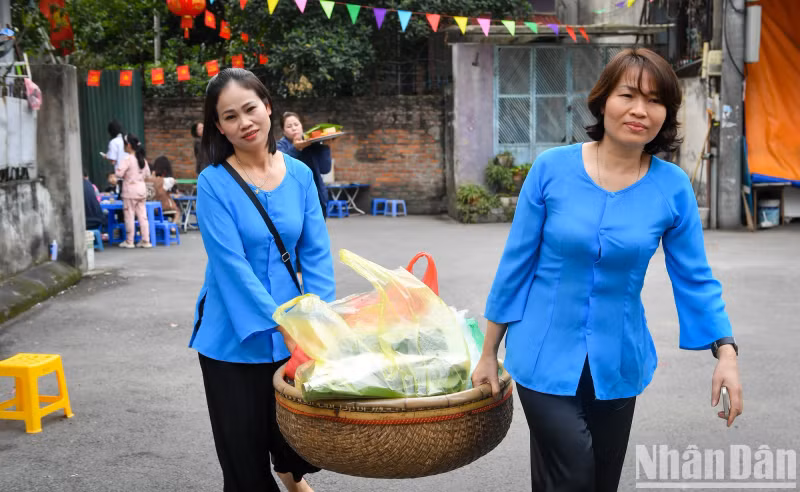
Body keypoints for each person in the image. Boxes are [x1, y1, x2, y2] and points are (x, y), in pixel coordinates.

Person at [471, 48, 743, 492]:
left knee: (598, 481)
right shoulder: (551, 170)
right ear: (603, 101)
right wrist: (488, 353)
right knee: (574, 475)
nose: (640, 110)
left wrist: (727, 354)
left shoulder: (672, 187)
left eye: (655, 101)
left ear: (666, 114)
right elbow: (516, 265)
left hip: (618, 362)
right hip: (542, 355)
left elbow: (694, 277)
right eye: (628, 95)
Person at [190, 68, 335, 492]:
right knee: (243, 453)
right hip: (232, 339)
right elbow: (230, 266)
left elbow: (317, 255)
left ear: (268, 107)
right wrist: (285, 326)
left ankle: (294, 481)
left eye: (250, 109)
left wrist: (317, 323)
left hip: (295, 336)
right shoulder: (213, 182)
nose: (244, 122)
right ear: (219, 126)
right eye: (230, 116)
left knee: (295, 436)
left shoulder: (301, 175)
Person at [276, 112, 332, 218]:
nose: (294, 128)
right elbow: (281, 167)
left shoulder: (313, 143)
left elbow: (325, 169)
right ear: (283, 131)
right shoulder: (279, 146)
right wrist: (297, 148)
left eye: (296, 124)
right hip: (293, 201)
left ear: (302, 126)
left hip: (317, 198)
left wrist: (326, 146)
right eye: (289, 126)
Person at [115, 134, 152, 248]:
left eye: (125, 144)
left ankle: (129, 241)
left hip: (130, 191)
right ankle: (146, 240)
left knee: (129, 215)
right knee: (143, 216)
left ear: (129, 146)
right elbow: (148, 174)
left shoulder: (127, 159)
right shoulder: (142, 160)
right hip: (141, 190)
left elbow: (118, 173)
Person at [146, 156, 181, 224]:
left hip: (149, 207)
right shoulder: (164, 180)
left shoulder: (148, 180)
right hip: (163, 207)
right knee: (177, 212)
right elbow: (173, 182)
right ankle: (172, 226)